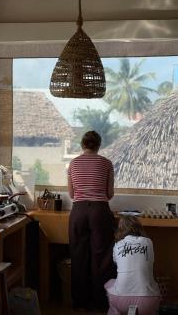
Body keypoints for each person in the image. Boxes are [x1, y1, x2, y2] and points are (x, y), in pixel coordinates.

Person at [68, 131, 116, 310]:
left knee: (78, 256)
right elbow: (109, 194)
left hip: (78, 211)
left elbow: (72, 194)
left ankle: (80, 302)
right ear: (98, 145)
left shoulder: (73, 164)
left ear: (82, 144)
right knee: (102, 257)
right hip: (100, 211)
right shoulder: (106, 163)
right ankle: (100, 303)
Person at [105, 216, 161, 315]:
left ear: (120, 229)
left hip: (120, 302)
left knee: (109, 283)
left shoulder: (117, 245)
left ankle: (115, 312)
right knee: (153, 285)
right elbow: (151, 261)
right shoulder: (148, 242)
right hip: (148, 302)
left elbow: (116, 262)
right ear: (139, 227)